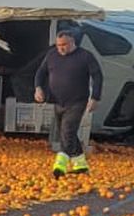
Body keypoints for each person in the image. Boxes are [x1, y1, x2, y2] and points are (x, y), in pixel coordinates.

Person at [34, 29, 103, 177]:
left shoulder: (85, 56)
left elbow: (97, 76)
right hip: (58, 101)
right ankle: (81, 165)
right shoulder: (52, 55)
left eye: (64, 44)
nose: (60, 48)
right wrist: (38, 88)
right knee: (66, 134)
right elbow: (40, 72)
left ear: (72, 42)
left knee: (68, 131)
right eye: (58, 45)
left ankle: (60, 165)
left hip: (77, 101)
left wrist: (95, 97)